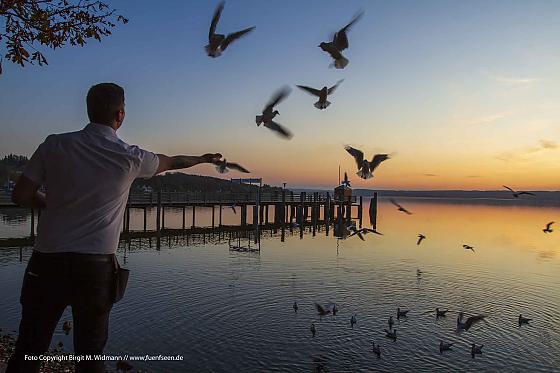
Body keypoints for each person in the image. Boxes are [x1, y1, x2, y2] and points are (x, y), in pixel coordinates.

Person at [6, 82, 222, 373]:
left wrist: (50, 203)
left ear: (88, 110)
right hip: (95, 269)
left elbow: (20, 195)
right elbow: (175, 161)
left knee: (29, 348)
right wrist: (203, 159)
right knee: (91, 355)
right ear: (120, 115)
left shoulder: (54, 144)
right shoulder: (131, 157)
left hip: (46, 264)